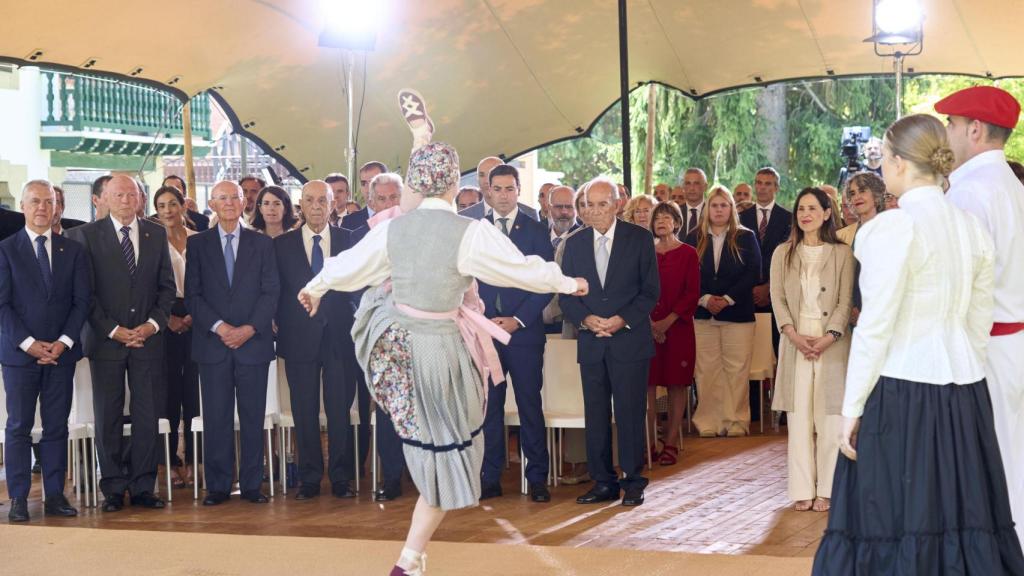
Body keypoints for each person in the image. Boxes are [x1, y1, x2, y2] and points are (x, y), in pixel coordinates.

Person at [298, 141, 585, 576]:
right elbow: (522, 268)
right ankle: (409, 557)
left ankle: (411, 557)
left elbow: (350, 263)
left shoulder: (395, 229)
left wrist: (314, 286)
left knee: (433, 451)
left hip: (395, 346)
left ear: (415, 183)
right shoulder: (467, 232)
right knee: (447, 454)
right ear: (455, 183)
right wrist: (570, 284)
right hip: (438, 353)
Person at [813, 113, 1024, 575]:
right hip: (965, 390)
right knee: (961, 511)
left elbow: (876, 326)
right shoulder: (971, 228)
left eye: (885, 157)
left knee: (894, 514)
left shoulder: (891, 228)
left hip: (902, 391)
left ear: (900, 164)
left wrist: (852, 406)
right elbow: (977, 320)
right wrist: (963, 367)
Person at [937, 85, 1024, 544]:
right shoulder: (1010, 184)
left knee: (982, 460)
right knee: (1012, 454)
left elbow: (957, 284)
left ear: (974, 129)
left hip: (982, 344)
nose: (947, 135)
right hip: (1010, 339)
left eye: (951, 125)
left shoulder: (970, 193)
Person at [66, 175, 176, 512]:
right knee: (108, 414)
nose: (126, 200)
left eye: (132, 194)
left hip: (147, 341)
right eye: (119, 194)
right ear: (103, 199)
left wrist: (152, 325)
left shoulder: (155, 233)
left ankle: (144, 485)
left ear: (141, 199)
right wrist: (113, 329)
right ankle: (113, 486)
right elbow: (85, 294)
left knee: (147, 414)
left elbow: (167, 288)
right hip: (106, 341)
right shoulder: (84, 236)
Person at [559, 177, 659, 507]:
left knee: (630, 412)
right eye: (589, 204)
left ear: (617, 205)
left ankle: (633, 481)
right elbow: (567, 294)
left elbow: (649, 292)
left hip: (629, 339)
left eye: (603, 204)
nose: (595, 211)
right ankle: (603, 481)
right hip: (591, 341)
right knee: (596, 413)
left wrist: (621, 320)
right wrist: (586, 320)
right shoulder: (573, 244)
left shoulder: (640, 239)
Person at [185, 180, 280, 506]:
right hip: (213, 344)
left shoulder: (262, 243)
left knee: (253, 416)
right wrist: (221, 327)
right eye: (222, 198)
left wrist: (250, 328)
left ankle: (252, 483)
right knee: (217, 417)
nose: (228, 203)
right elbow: (192, 295)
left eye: (234, 198)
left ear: (244, 203)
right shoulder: (197, 244)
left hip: (252, 344)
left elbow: (272, 292)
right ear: (212, 203)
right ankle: (219, 485)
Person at [1, 180, 90, 522]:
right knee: (19, 427)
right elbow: (2, 305)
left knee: (56, 427)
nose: (42, 207)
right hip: (19, 355)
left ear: (56, 208)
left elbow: (81, 302)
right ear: (22, 206)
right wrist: (29, 344)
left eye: (48, 202)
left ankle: (55, 495)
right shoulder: (6, 250)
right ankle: (20, 498)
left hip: (61, 354)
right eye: (35, 201)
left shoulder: (74, 251)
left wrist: (63, 342)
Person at [769, 187, 854, 513]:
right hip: (795, 343)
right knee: (799, 419)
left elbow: (845, 301)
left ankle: (829, 490)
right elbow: (778, 299)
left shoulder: (842, 253)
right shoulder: (783, 253)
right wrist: (792, 334)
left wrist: (829, 336)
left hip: (831, 344)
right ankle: (802, 489)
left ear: (826, 213)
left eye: (812, 208)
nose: (806, 214)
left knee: (829, 420)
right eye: (801, 209)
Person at [475, 164, 555, 503]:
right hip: (484, 332)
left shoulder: (536, 230)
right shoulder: (474, 230)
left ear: (518, 191)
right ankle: (489, 477)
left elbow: (545, 282)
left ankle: (537, 477)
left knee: (529, 405)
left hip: (523, 335)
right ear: (488, 191)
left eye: (510, 189)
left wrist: (519, 320)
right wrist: (483, 319)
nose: (504, 195)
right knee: (489, 408)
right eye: (498, 189)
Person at [275, 181, 359, 500]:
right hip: (299, 338)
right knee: (304, 409)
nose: (316, 206)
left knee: (339, 410)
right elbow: (278, 292)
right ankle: (309, 477)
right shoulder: (282, 245)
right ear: (300, 205)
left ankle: (340, 477)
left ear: (332, 204)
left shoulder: (348, 241)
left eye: (322, 200)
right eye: (309, 200)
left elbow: (356, 287)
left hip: (339, 337)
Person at [686, 185, 761, 437]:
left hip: (738, 314)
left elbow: (753, 272)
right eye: (714, 205)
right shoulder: (693, 237)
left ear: (731, 209)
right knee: (706, 370)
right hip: (703, 314)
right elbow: (687, 275)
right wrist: (705, 298)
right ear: (707, 208)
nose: (718, 210)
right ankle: (709, 422)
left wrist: (727, 298)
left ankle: (736, 421)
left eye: (723, 205)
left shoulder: (745, 236)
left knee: (737, 370)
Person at [152, 185, 199, 489]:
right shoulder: (152, 240)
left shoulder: (199, 240)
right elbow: (147, 286)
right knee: (167, 393)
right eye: (161, 205)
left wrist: (196, 314)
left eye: (172, 204)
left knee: (194, 393)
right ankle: (167, 462)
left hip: (197, 315)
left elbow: (209, 282)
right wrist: (166, 318)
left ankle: (195, 460)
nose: (167, 210)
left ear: (184, 206)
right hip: (164, 317)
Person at [646, 201, 699, 466]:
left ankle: (670, 442)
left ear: (677, 223)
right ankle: (650, 443)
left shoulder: (688, 253)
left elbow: (692, 293)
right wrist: (651, 324)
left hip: (678, 328)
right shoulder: (646, 253)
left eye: (667, 217)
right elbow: (638, 289)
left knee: (677, 384)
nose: (661, 222)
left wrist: (667, 322)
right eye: (657, 218)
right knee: (649, 385)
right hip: (648, 328)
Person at [836, 172, 886, 328]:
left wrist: (868, 312)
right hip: (850, 318)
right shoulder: (846, 235)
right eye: (852, 193)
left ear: (876, 194)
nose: (857, 196)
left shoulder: (889, 229)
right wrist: (850, 308)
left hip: (882, 315)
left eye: (862, 191)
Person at [459, 156, 539, 221]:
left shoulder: (529, 213)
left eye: (492, 174)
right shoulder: (463, 216)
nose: (486, 180)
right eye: (482, 175)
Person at [341, 161, 387, 231]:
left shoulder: (400, 217)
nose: (368, 188)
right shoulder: (349, 222)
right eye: (363, 183)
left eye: (373, 182)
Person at [677, 168, 708, 239]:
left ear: (705, 187)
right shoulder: (676, 212)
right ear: (683, 187)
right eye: (688, 183)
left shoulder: (712, 211)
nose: (692, 188)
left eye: (696, 183)